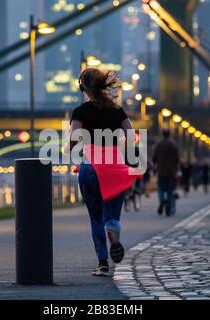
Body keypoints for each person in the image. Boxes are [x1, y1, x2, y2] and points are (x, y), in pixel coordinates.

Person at [70, 68, 139, 277]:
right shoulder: (117, 110)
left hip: (90, 166)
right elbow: (132, 135)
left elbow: (73, 138)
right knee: (111, 215)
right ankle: (113, 231)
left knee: (95, 216)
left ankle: (102, 264)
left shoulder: (80, 111)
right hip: (114, 166)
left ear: (83, 88)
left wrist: (76, 149)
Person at [153, 129, 179, 216]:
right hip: (171, 171)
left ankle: (162, 200)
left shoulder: (158, 145)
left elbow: (154, 158)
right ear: (169, 134)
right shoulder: (174, 145)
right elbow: (177, 159)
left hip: (161, 170)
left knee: (161, 188)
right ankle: (168, 207)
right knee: (170, 190)